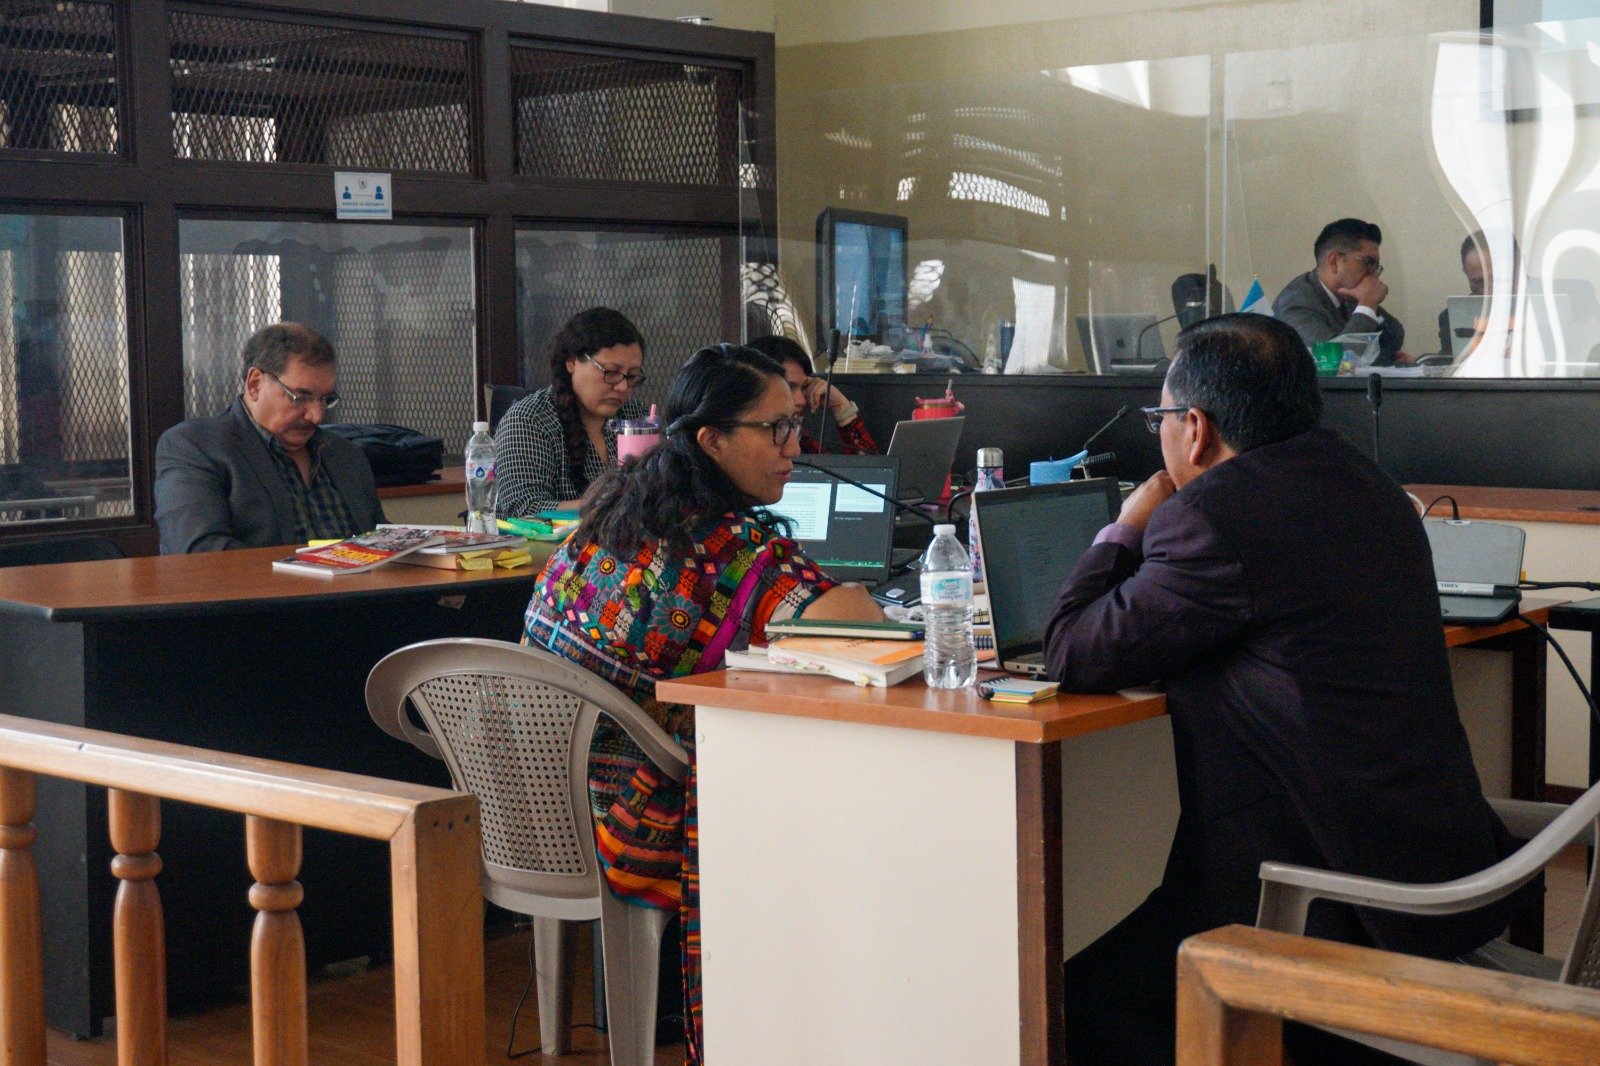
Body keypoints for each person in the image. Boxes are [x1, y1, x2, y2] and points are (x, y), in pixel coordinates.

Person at [1043, 313, 1532, 1065]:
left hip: (1320, 898)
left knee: (1068, 1008)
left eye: (1160, 418)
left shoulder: (1210, 515)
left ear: (1196, 429)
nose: (1160, 436)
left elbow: (1074, 649)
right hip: (1433, 859)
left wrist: (1128, 526)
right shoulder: (1370, 486)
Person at [524, 343, 883, 1061]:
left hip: (535, 802)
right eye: (775, 429)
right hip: (632, 825)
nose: (795, 446)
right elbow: (860, 628)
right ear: (712, 440)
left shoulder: (613, 511)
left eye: (795, 425)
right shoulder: (734, 549)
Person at [154, 322, 386, 554]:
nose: (316, 416)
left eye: (326, 399)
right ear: (255, 384)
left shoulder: (345, 454)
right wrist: (305, 572)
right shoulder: (195, 447)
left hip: (361, 588)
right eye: (300, 397)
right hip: (264, 589)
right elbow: (200, 553)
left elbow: (380, 539)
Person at [496, 307, 649, 516]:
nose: (622, 387)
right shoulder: (529, 420)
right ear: (572, 362)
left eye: (631, 376)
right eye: (611, 373)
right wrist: (609, 504)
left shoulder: (638, 418)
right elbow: (523, 508)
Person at [1274, 217, 1409, 365]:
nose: (1374, 274)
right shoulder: (1296, 303)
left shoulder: (1348, 295)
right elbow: (1334, 362)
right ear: (1334, 261)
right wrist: (1368, 304)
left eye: (1376, 266)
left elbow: (1395, 336)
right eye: (1369, 263)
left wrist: (1367, 305)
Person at [745, 334, 879, 454]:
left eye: (803, 387)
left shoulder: (800, 440)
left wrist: (841, 407)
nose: (801, 400)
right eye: (789, 387)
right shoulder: (744, 444)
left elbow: (872, 474)